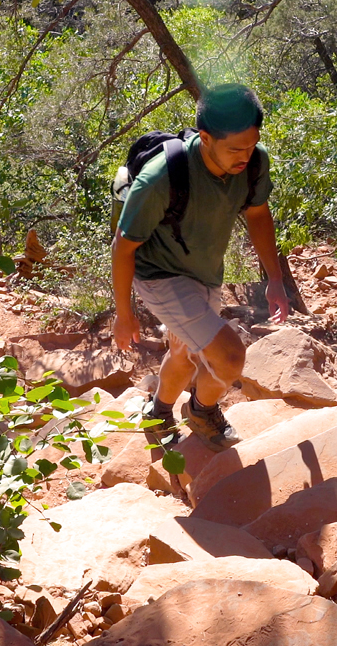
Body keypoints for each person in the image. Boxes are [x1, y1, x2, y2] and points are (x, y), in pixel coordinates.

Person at [112, 84, 290, 448]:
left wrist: (274, 278)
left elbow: (257, 214)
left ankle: (158, 414)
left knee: (185, 355)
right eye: (234, 148)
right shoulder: (162, 178)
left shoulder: (254, 162)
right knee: (229, 357)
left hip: (204, 273)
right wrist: (123, 313)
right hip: (160, 276)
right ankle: (201, 410)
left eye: (251, 144)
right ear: (206, 138)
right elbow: (122, 247)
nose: (244, 156)